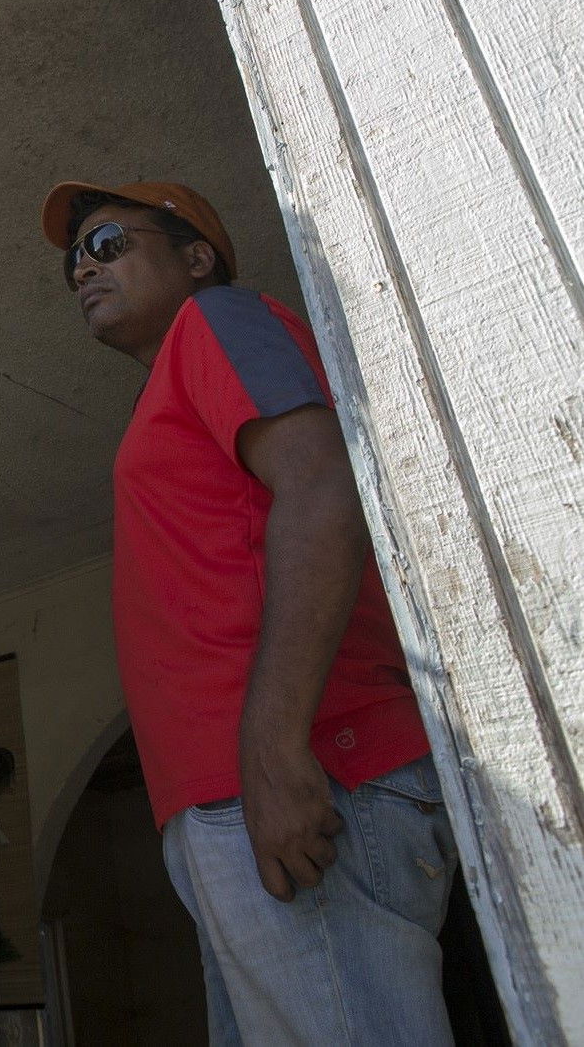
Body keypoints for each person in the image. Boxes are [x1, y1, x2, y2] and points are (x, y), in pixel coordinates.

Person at [42, 180, 457, 1045]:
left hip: (306, 771)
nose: (82, 266)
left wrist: (270, 749)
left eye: (108, 242)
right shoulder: (173, 383)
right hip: (239, 795)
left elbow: (321, 487)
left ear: (196, 257)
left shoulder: (218, 319)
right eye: (73, 258)